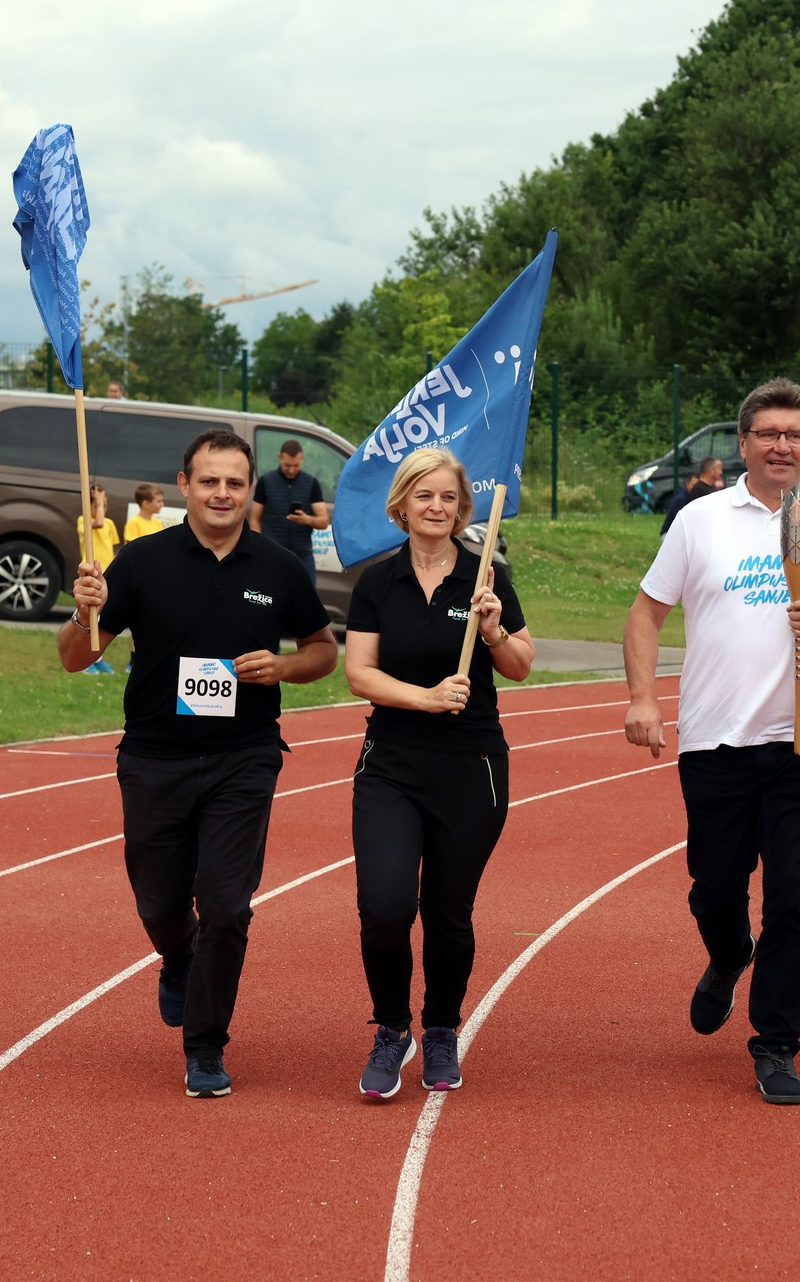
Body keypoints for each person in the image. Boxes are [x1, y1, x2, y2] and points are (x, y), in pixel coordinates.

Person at [623, 378, 800, 1105]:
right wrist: (644, 698)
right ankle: (727, 951)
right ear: (743, 444)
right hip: (713, 738)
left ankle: (775, 1043)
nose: (781, 445)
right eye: (768, 433)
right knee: (715, 888)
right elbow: (645, 614)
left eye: (794, 435)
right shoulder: (700, 520)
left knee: (795, 899)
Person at [57, 427, 338, 1099]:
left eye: (235, 483)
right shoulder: (140, 561)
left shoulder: (278, 568)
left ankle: (206, 1046)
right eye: (209, 481)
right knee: (159, 902)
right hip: (154, 758)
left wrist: (284, 667)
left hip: (244, 759)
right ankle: (176, 955)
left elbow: (323, 650)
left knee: (227, 903)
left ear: (250, 491)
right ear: (185, 487)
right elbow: (74, 656)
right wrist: (80, 612)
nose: (222, 493)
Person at [344, 448, 534, 1098]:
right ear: (402, 503)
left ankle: (444, 1029)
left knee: (448, 912)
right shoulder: (376, 582)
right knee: (385, 907)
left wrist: (493, 631)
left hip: (470, 767)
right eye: (424, 495)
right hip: (392, 766)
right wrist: (423, 697)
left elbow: (521, 666)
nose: (435, 507)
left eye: (448, 498)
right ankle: (392, 1029)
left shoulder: (488, 577)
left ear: (462, 508)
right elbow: (359, 673)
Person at [248, 439, 329, 581]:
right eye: (287, 465)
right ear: (279, 457)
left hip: (303, 555)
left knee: (306, 600)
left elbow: (324, 522)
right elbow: (255, 519)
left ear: (302, 459)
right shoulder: (265, 482)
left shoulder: (311, 483)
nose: (291, 470)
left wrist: (307, 519)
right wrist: (259, 548)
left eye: (296, 465)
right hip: (271, 553)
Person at [74, 485, 121, 673]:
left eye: (105, 505)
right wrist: (98, 499)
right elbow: (98, 522)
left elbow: (113, 547)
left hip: (106, 573)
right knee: (91, 617)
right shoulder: (83, 521)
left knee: (103, 619)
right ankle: (88, 661)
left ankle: (98, 658)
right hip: (90, 574)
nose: (102, 508)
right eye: (99, 505)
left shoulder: (110, 523)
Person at [660, 457, 725, 538]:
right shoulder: (698, 490)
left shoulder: (712, 487)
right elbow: (694, 519)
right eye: (719, 469)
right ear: (711, 471)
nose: (721, 472)